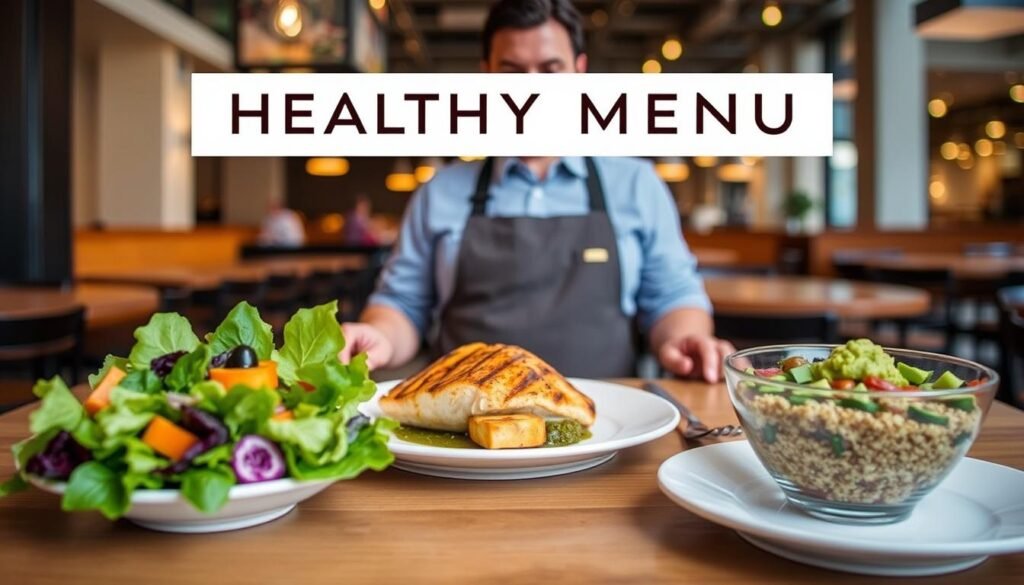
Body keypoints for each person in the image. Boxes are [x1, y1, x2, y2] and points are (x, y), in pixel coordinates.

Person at [340, 0, 735, 381]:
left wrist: (687, 338)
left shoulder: (637, 185)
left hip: (612, 424)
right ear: (487, 76)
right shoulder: (439, 193)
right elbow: (403, 305)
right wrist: (381, 336)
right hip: (465, 434)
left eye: (550, 70)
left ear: (579, 72)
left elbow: (672, 296)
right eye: (512, 72)